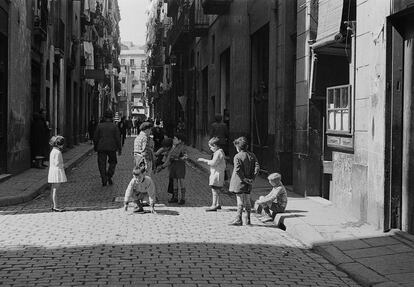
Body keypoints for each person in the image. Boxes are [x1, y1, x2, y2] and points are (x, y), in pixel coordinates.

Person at [228, 136, 260, 226]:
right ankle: (248, 219)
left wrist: (243, 179)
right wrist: (252, 178)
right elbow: (257, 167)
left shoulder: (237, 156)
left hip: (239, 182)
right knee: (247, 199)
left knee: (240, 200)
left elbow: (238, 170)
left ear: (237, 147)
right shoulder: (252, 155)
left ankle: (238, 218)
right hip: (249, 181)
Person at [93, 110, 122, 186]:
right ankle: (109, 175)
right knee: (113, 162)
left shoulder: (99, 126)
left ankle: (104, 178)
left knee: (101, 164)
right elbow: (118, 138)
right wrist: (119, 148)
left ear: (104, 117)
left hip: (101, 147)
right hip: (112, 148)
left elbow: (95, 138)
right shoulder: (114, 126)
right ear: (111, 117)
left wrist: (95, 146)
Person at [197, 137, 226, 212]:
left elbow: (213, 163)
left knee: (214, 190)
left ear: (215, 145)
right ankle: (217, 204)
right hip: (218, 173)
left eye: (211, 147)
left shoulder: (218, 153)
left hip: (216, 174)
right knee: (217, 190)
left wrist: (204, 160)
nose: (210, 149)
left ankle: (214, 205)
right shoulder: (220, 152)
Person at [158, 133, 187, 204]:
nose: (173, 140)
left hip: (180, 167)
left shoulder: (183, 147)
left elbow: (185, 157)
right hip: (173, 167)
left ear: (179, 140)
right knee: (175, 182)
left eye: (175, 139)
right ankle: (175, 197)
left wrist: (178, 158)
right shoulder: (174, 147)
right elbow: (169, 157)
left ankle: (183, 198)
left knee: (181, 182)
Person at [48, 135, 67, 212]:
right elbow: (57, 163)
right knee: (56, 189)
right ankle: (56, 206)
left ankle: (53, 205)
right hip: (57, 171)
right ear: (59, 144)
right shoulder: (58, 152)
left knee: (53, 188)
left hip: (52, 170)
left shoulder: (53, 151)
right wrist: (63, 165)